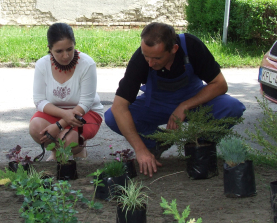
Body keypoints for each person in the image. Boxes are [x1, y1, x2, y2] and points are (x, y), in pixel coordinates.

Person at [104, 22, 246, 177]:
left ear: (174, 49)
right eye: (146, 56)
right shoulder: (140, 60)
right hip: (156, 104)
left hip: (194, 102)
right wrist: (140, 149)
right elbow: (119, 107)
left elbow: (220, 84)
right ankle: (157, 143)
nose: (150, 63)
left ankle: (200, 144)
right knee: (112, 117)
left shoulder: (191, 46)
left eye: (157, 58)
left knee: (233, 107)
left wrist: (185, 106)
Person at [29, 23, 103, 161]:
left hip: (85, 113)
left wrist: (59, 125)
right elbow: (39, 100)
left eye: (70, 49)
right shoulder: (42, 65)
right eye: (59, 51)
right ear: (50, 49)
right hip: (56, 111)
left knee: (70, 141)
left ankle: (79, 149)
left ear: (75, 44)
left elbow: (86, 103)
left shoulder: (87, 64)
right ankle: (56, 152)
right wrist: (64, 115)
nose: (66, 55)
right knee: (36, 128)